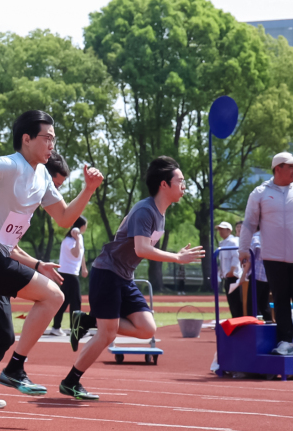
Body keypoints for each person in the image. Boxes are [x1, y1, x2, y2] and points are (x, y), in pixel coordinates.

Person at [0, 110, 104, 398]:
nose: (52, 144)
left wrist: (89, 190)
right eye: (47, 138)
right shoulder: (9, 165)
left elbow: (65, 218)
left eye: (54, 139)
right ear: (26, 139)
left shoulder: (41, 176)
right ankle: (14, 368)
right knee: (53, 296)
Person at [63, 157, 203, 399]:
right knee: (108, 333)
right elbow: (142, 249)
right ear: (164, 184)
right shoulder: (145, 210)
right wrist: (176, 258)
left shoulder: (160, 213)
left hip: (124, 276)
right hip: (107, 273)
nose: (184, 186)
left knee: (147, 328)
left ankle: (87, 321)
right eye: (180, 181)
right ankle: (70, 381)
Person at [238, 151, 293, 356]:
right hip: (272, 257)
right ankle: (285, 341)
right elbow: (249, 223)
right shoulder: (259, 193)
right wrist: (243, 249)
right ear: (278, 169)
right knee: (280, 299)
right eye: (292, 167)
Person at [48, 214, 87, 337]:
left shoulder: (78, 239)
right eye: (85, 226)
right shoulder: (69, 241)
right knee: (76, 301)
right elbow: (76, 253)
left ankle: (56, 327)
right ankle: (75, 329)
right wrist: (77, 239)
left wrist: (84, 268)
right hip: (68, 274)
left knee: (64, 302)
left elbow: (81, 254)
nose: (85, 228)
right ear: (80, 227)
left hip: (72, 273)